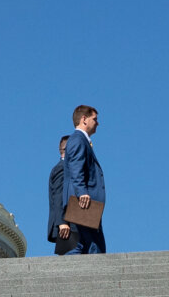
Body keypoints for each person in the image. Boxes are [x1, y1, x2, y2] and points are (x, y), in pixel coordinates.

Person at [62, 104, 106, 254]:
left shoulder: (81, 140)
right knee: (93, 246)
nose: (97, 123)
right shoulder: (78, 140)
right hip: (83, 202)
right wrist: (82, 192)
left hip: (84, 202)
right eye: (95, 119)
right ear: (84, 119)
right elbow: (76, 167)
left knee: (87, 245)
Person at [47, 135, 72, 254]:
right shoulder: (62, 168)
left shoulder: (68, 168)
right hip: (67, 227)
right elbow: (58, 195)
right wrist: (62, 222)